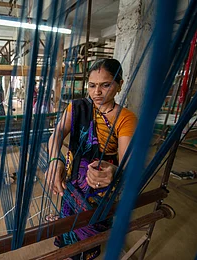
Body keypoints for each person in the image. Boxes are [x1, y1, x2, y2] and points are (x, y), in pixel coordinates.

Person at [45, 58, 137, 260]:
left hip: (100, 185)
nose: (97, 92)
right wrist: (55, 161)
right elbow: (58, 132)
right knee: (69, 220)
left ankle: (85, 253)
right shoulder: (77, 108)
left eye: (106, 85)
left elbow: (127, 162)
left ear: (119, 85)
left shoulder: (125, 119)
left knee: (91, 225)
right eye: (92, 85)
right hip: (73, 179)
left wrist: (115, 172)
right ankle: (69, 252)